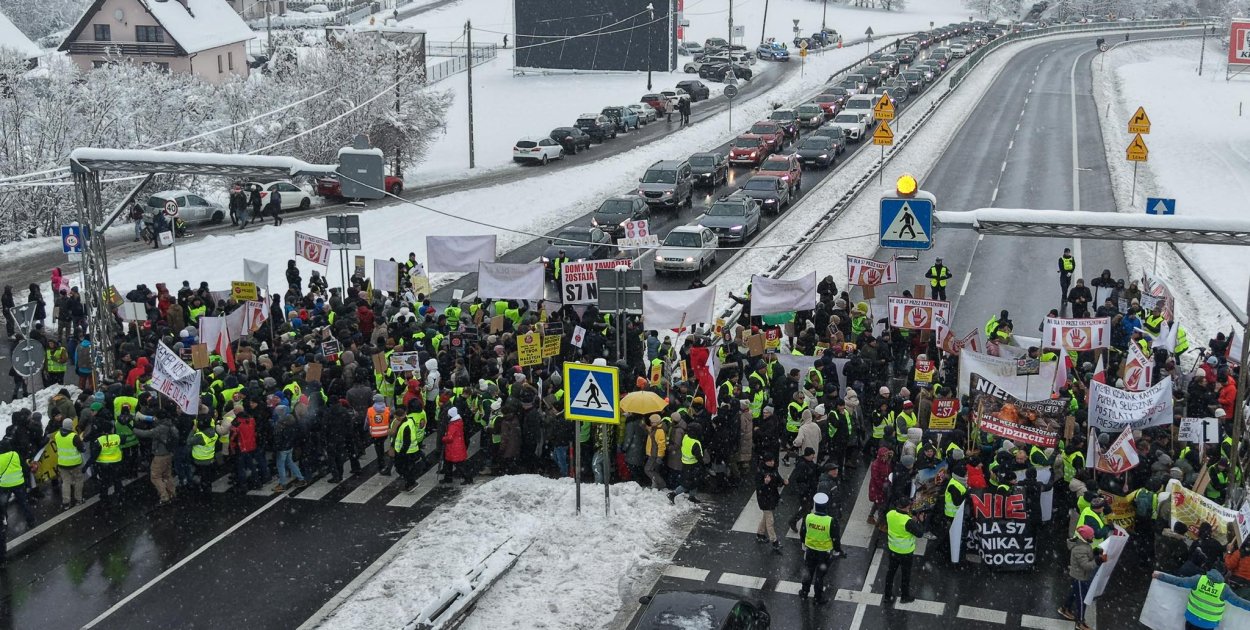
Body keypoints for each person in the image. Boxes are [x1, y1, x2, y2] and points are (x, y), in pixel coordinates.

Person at [1153, 569, 1250, 629]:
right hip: (1208, 624)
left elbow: (1179, 581)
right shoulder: (1224, 589)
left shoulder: (1198, 579)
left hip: (1192, 619)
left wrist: (1160, 576)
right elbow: (1239, 602)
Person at [882, 497, 925, 605]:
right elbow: (919, 533)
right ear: (907, 507)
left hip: (893, 549)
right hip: (906, 552)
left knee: (890, 573)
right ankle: (904, 596)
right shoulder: (907, 521)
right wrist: (920, 521)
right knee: (905, 575)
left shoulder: (890, 514)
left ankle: (887, 595)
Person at [1058, 525, 1101, 630]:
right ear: (1086, 538)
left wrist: (1095, 552)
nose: (1093, 537)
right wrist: (1099, 560)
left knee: (1074, 593)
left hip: (1077, 576)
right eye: (1092, 536)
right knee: (1081, 600)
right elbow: (1086, 565)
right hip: (1080, 577)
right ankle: (1080, 622)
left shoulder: (1082, 545)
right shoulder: (1080, 549)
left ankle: (1064, 608)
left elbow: (1087, 556)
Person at [799, 493, 837, 603]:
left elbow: (803, 532)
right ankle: (818, 597)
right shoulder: (830, 521)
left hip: (810, 550)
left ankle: (804, 592)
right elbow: (835, 538)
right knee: (820, 576)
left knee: (808, 572)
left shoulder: (808, 517)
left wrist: (804, 543)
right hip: (824, 553)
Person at [669, 421, 707, 504]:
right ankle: (673, 494)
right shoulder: (695, 443)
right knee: (688, 483)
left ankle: (692, 496)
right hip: (693, 464)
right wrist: (703, 464)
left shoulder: (686, 437)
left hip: (685, 463)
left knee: (693, 481)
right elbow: (699, 456)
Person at [90, 418, 125, 505]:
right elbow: (123, 440)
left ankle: (104, 497)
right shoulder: (117, 437)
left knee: (104, 481)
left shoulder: (99, 440)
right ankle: (119, 494)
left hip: (103, 464)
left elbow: (95, 453)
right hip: (116, 462)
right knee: (117, 480)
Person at [755, 454, 786, 553]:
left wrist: (783, 482)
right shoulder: (761, 472)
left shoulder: (773, 470)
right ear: (765, 461)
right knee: (770, 520)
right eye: (770, 461)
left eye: (773, 460)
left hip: (771, 497)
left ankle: (760, 534)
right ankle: (774, 541)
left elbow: (778, 481)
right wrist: (765, 483)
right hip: (764, 499)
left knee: (766, 517)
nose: (772, 462)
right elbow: (759, 487)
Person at [53, 418, 86, 509]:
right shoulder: (74, 436)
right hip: (75, 464)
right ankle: (78, 499)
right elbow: (82, 449)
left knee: (66, 482)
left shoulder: (57, 435)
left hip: (62, 464)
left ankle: (66, 502)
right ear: (71, 426)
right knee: (79, 480)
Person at [441, 407, 472, 484]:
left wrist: (444, 438)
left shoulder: (453, 425)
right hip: (457, 446)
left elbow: (450, 438)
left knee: (458, 464)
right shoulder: (458, 422)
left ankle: (467, 478)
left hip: (453, 448)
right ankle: (449, 478)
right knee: (451, 463)